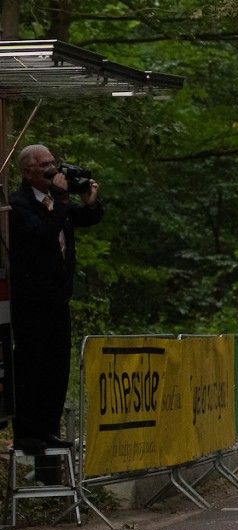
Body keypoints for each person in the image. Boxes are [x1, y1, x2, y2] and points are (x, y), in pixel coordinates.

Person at [8, 144, 103, 484]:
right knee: (31, 363)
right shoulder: (19, 205)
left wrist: (89, 200)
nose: (52, 170)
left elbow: (84, 218)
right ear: (27, 172)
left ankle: (47, 427)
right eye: (44, 166)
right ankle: (27, 430)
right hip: (31, 299)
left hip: (57, 297)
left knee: (56, 364)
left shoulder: (55, 201)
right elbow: (43, 234)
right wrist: (62, 203)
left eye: (53, 164)